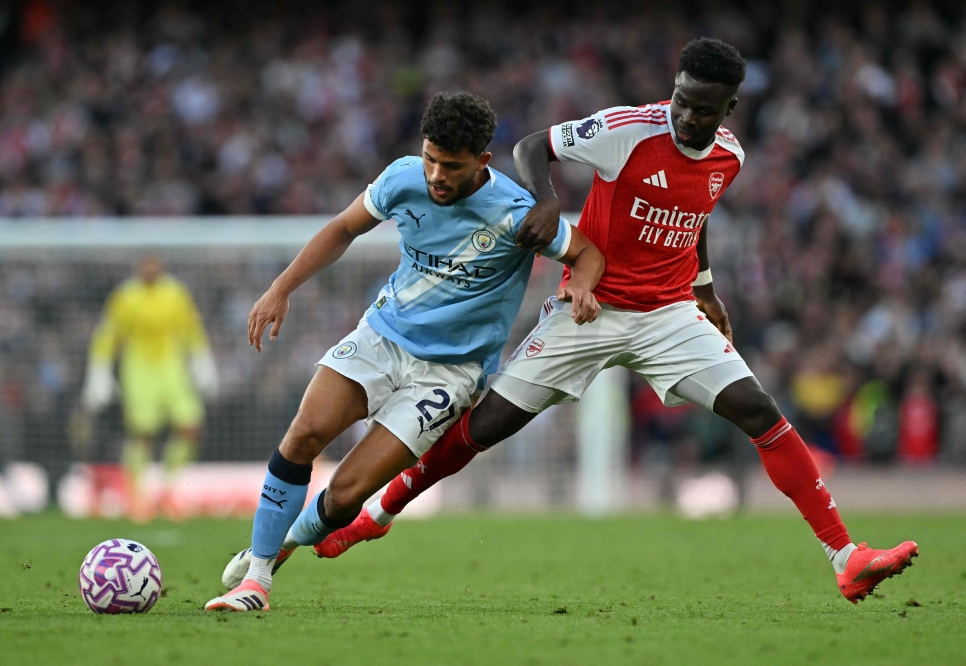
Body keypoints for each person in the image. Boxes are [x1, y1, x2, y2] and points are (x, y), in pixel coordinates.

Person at [274, 38, 918, 605]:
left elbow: (693, 219)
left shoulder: (730, 157)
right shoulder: (628, 129)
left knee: (760, 412)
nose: (687, 115)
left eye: (704, 107)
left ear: (730, 109)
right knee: (482, 427)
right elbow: (534, 145)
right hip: (589, 306)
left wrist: (707, 290)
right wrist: (549, 201)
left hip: (670, 313)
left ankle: (845, 557)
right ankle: (378, 513)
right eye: (681, 100)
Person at [205, 92, 605, 612]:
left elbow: (587, 252)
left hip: (449, 374)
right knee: (304, 433)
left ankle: (281, 546)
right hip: (382, 336)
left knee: (347, 495)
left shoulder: (514, 212)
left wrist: (583, 286)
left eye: (451, 166)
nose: (436, 175)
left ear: (482, 162)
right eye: (430, 158)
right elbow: (343, 227)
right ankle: (256, 580)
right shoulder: (402, 178)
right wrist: (281, 288)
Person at [82, 256, 219, 520]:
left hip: (172, 369)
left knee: (191, 428)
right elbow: (108, 334)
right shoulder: (126, 297)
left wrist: (202, 360)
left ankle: (166, 491)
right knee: (142, 435)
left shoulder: (175, 294)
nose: (150, 267)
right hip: (138, 371)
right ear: (139, 267)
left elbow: (191, 328)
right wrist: (99, 370)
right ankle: (137, 499)